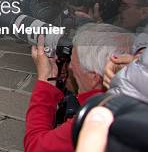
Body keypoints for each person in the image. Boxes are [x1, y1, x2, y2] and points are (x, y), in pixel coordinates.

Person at [24, 24, 133, 152]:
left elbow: (36, 146)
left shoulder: (95, 119)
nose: (69, 67)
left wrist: (45, 81)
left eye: (72, 61)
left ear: (94, 77)